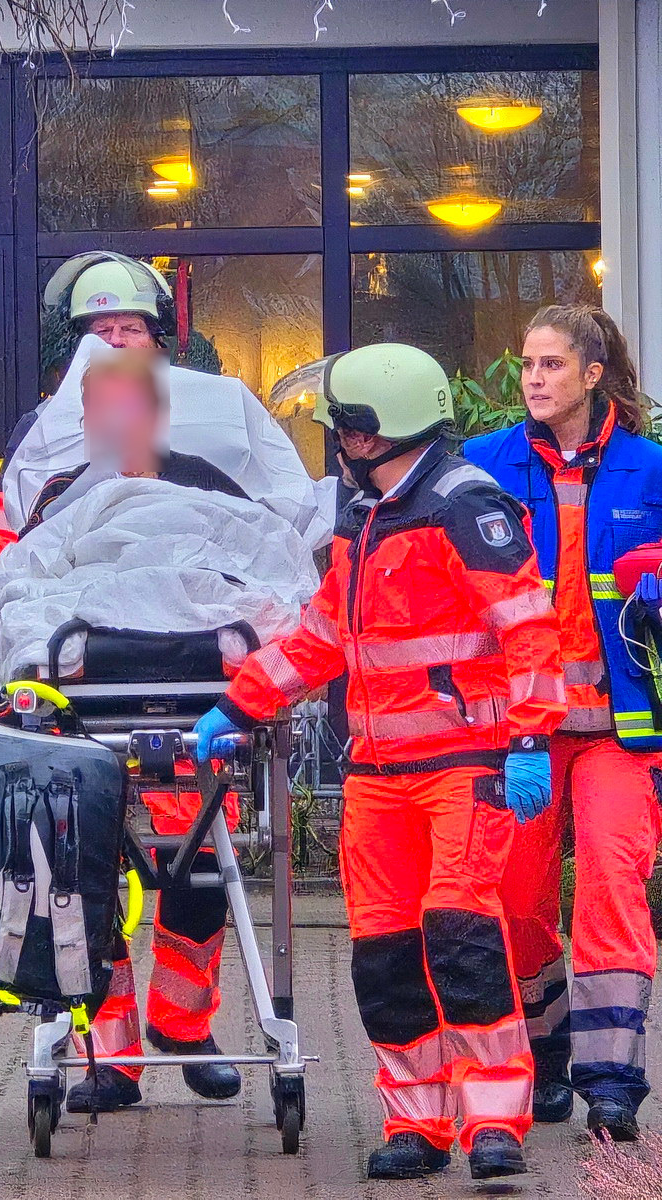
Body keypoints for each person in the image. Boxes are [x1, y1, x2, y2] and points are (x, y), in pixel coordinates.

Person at [191, 343, 565, 1181]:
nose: (342, 444)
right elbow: (325, 635)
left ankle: (494, 1121)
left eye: (350, 430)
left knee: (462, 937)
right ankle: (419, 1123)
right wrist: (241, 702)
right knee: (386, 955)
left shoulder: (466, 508)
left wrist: (532, 737)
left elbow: (528, 628)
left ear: (387, 427)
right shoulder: (364, 515)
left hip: (464, 761)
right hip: (379, 773)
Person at [20, 348, 249, 1114]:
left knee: (203, 877)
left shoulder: (209, 489)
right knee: (83, 886)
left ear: (157, 414)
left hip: (196, 717)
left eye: (132, 406)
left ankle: (185, 1026)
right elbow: (29, 595)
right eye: (102, 409)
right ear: (84, 420)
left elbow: (254, 572)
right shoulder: (59, 498)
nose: (118, 422)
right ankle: (110, 1055)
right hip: (86, 723)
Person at [463, 305, 662, 1142]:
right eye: (526, 364)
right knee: (516, 903)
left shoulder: (649, 469)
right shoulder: (481, 466)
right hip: (524, 730)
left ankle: (612, 1080)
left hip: (620, 734)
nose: (533, 378)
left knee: (613, 892)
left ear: (591, 373)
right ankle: (543, 1058)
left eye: (551, 364)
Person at [0, 252, 329, 552]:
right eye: (102, 331)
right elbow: (14, 521)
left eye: (130, 328)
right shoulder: (41, 426)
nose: (117, 341)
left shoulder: (215, 410)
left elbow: (277, 504)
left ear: (157, 345)